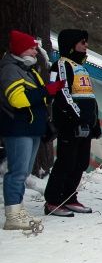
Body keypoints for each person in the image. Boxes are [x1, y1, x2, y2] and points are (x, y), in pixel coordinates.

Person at [2, 30, 61, 231]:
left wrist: (50, 93)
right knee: (17, 173)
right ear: (19, 49)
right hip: (18, 128)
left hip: (32, 127)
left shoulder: (28, 70)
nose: (35, 52)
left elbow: (39, 98)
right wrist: (46, 90)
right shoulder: (10, 69)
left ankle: (18, 209)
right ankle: (12, 215)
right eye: (31, 48)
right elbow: (18, 100)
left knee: (24, 171)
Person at [43, 29, 101, 216]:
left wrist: (95, 122)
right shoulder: (61, 65)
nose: (86, 46)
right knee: (66, 161)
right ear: (71, 44)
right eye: (82, 42)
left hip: (85, 125)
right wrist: (77, 119)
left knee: (81, 162)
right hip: (70, 124)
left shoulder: (81, 67)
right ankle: (53, 200)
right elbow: (63, 94)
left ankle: (69, 197)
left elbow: (89, 97)